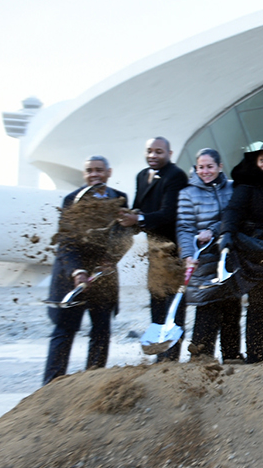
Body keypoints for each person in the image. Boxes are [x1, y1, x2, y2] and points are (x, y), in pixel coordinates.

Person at [43, 156, 129, 384]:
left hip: (103, 275)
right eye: (90, 171)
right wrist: (78, 271)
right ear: (84, 174)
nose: (95, 174)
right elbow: (66, 243)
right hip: (72, 277)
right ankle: (50, 386)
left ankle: (93, 382)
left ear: (108, 173)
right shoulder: (71, 200)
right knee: (64, 331)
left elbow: (124, 236)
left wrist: (110, 260)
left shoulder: (120, 200)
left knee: (101, 332)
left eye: (99, 170)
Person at [119, 137, 188, 362]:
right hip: (154, 253)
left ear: (170, 153)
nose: (153, 155)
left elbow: (169, 214)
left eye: (159, 151)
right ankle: (159, 356)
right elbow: (141, 205)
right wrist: (130, 216)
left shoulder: (176, 176)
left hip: (173, 252)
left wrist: (137, 218)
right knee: (157, 302)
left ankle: (172, 357)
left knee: (173, 306)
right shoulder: (142, 175)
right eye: (149, 151)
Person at [219, 142, 263, 363]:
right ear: (255, 162)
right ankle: (255, 355)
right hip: (255, 254)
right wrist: (227, 233)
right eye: (262, 160)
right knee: (259, 305)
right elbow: (233, 211)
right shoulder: (246, 186)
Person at [176, 148, 237, 361]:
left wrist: (214, 230)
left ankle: (232, 357)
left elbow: (235, 216)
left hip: (228, 257)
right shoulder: (187, 193)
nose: (205, 171)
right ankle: (201, 358)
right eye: (201, 167)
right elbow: (184, 227)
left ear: (220, 167)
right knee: (206, 309)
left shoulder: (232, 188)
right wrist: (188, 255)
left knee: (232, 309)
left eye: (210, 166)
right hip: (202, 260)